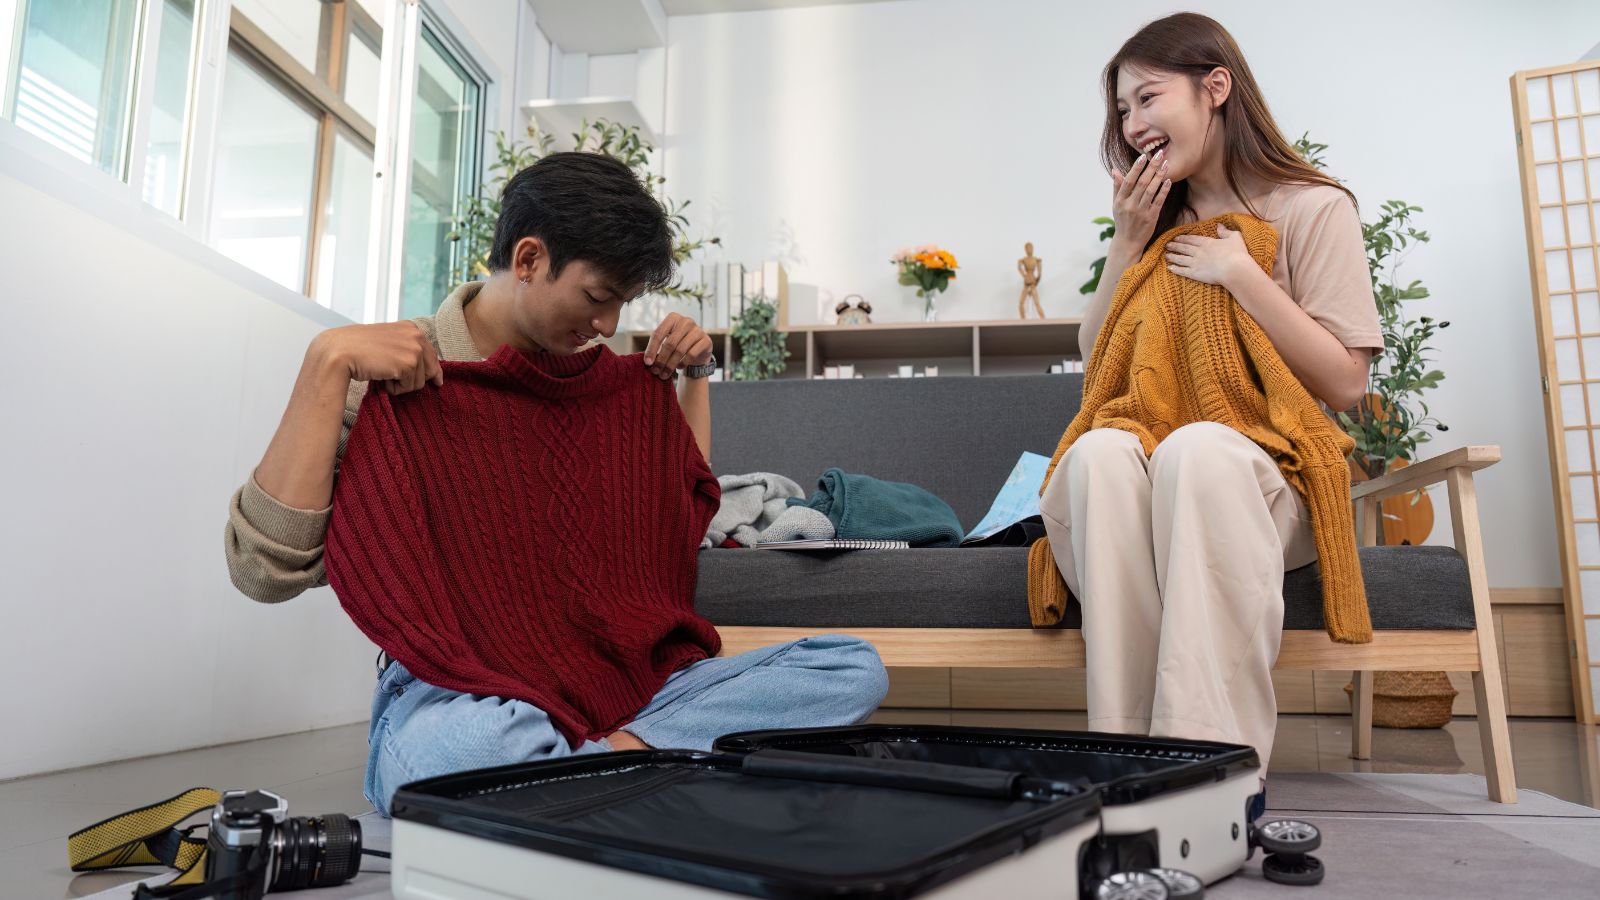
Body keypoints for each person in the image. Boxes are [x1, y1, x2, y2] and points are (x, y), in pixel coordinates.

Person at [224, 151, 887, 815]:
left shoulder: (600, 385)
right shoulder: (394, 374)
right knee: (463, 748)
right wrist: (327, 360)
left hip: (628, 685)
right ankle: (635, 773)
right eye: (598, 298)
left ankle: (600, 767)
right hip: (463, 684)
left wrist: (696, 375)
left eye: (621, 305)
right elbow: (264, 573)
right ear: (530, 258)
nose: (605, 326)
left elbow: (678, 511)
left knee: (850, 668)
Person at [1039, 13, 1381, 807]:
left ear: (1214, 88)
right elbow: (1099, 368)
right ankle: (1125, 774)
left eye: (1147, 99)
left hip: (1263, 483)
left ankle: (1210, 783)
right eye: (1122, 112)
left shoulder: (1310, 208)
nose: (1133, 126)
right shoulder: (1148, 226)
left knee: (1200, 449)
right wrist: (1125, 242)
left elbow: (1345, 381)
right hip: (1146, 477)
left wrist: (1240, 273)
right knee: (1098, 454)